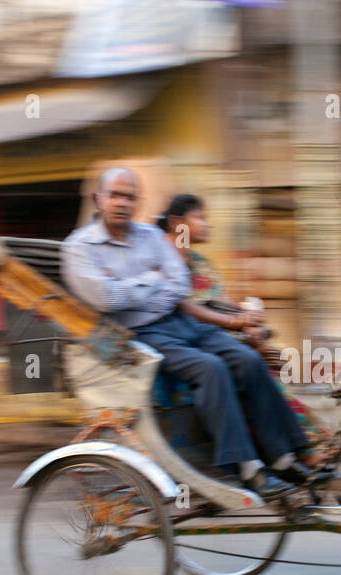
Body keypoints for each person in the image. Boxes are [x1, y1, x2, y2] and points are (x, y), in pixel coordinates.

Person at [61, 166, 309, 499]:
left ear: (138, 202)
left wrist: (132, 286)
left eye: (129, 196)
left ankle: (283, 457)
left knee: (248, 359)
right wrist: (152, 280)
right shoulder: (80, 247)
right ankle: (248, 468)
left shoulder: (149, 235)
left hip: (180, 321)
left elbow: (178, 283)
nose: (122, 202)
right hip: (140, 334)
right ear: (98, 198)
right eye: (115, 195)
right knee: (211, 369)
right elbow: (105, 298)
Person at [157, 193, 336, 469]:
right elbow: (191, 311)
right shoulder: (168, 260)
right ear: (178, 223)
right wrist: (238, 325)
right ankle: (299, 448)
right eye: (200, 218)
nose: (208, 225)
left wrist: (248, 319)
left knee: (269, 364)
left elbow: (223, 303)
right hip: (187, 344)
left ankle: (293, 449)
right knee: (260, 369)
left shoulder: (198, 261)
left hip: (214, 337)